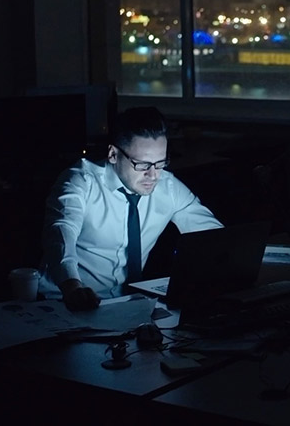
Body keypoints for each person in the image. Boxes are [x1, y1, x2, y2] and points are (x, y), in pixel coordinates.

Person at [39, 106, 222, 310]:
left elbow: (215, 237)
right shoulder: (80, 181)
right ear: (113, 154)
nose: (153, 175)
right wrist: (72, 287)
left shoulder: (167, 187)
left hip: (129, 305)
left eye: (160, 163)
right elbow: (60, 234)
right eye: (142, 164)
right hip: (63, 301)